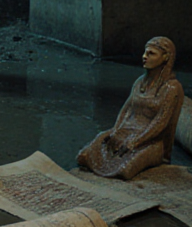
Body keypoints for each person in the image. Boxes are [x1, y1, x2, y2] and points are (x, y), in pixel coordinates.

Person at [76, 36, 185, 180]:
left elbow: (161, 123)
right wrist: (116, 131)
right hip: (127, 132)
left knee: (125, 169)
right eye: (145, 53)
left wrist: (136, 141)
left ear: (165, 57)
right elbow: (126, 109)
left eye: (151, 53)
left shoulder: (172, 88)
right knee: (87, 154)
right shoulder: (140, 82)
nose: (144, 57)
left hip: (150, 141)